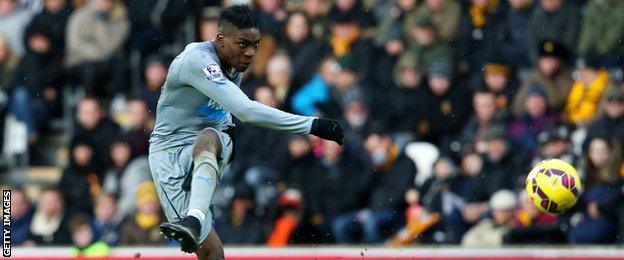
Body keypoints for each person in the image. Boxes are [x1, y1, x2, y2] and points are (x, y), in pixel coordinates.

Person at [148, 5, 343, 259]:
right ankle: (194, 221)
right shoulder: (198, 60)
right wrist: (313, 125)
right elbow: (247, 112)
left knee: (211, 136)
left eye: (255, 45)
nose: (251, 53)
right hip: (169, 156)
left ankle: (194, 218)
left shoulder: (233, 64)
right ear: (220, 39)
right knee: (213, 253)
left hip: (204, 144)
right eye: (243, 44)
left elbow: (224, 114)